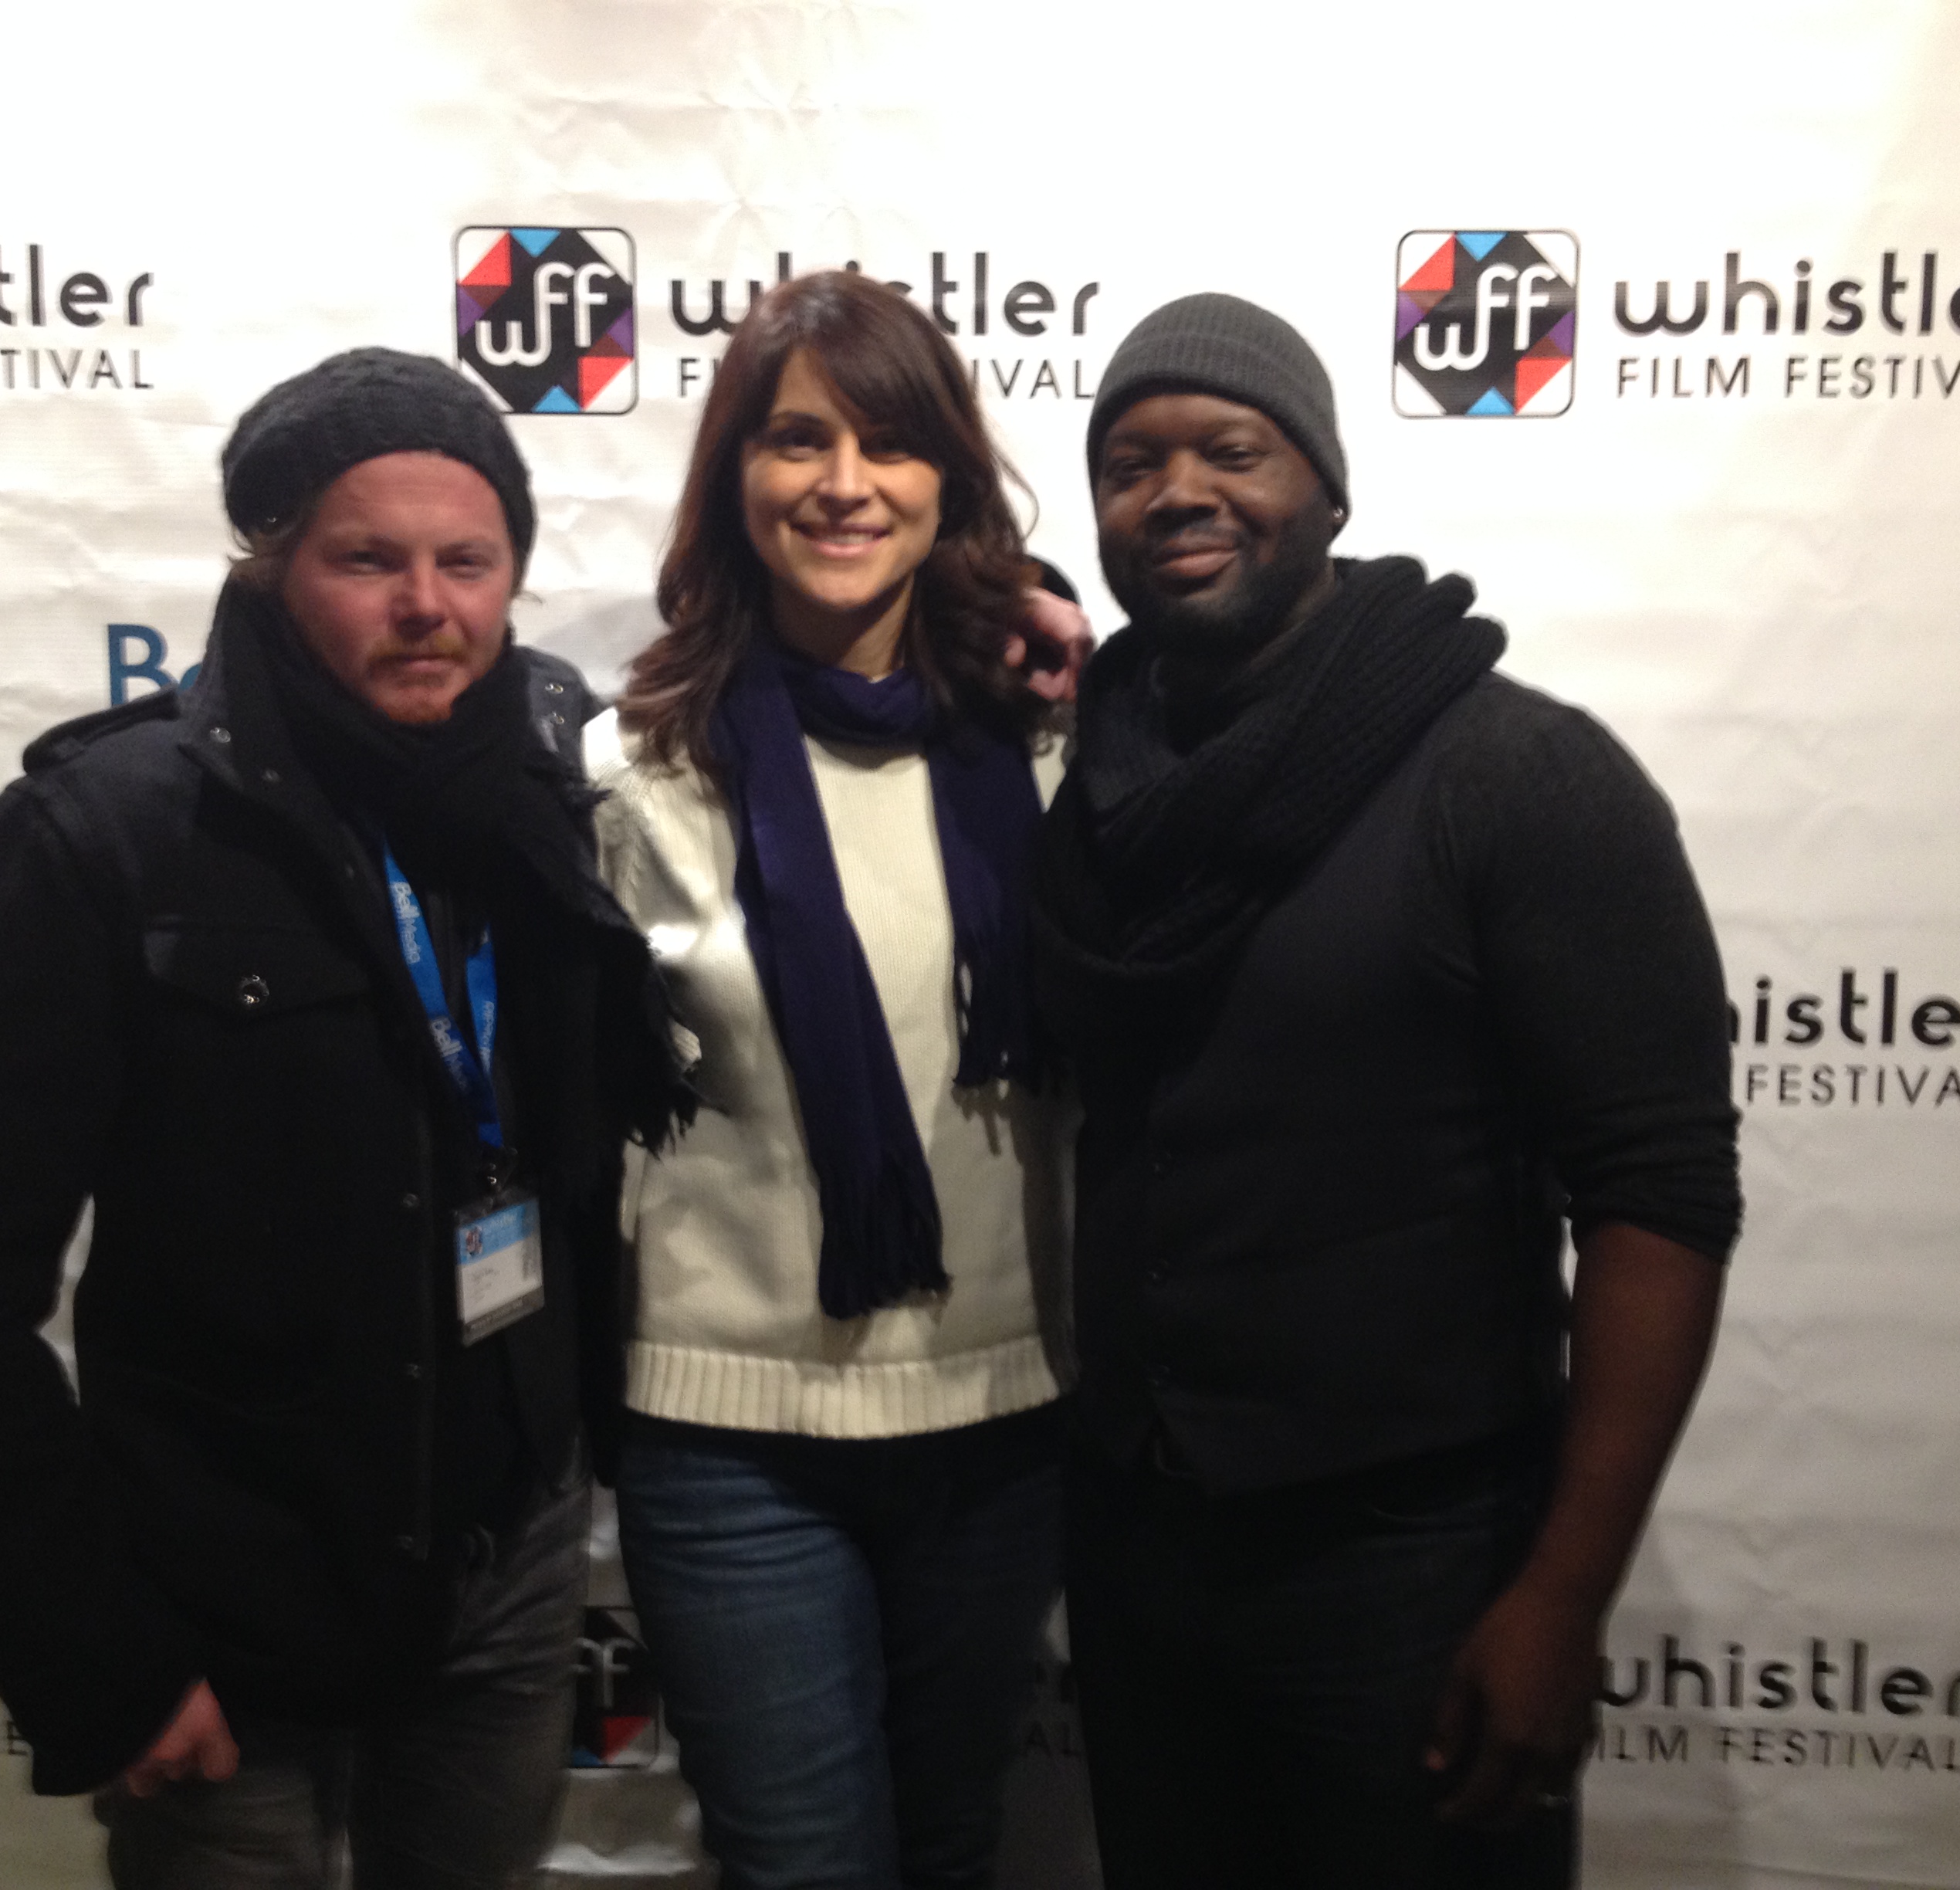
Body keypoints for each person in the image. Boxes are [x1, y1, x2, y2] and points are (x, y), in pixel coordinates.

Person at [0, 347, 683, 1888]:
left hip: (504, 1568)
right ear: (273, 565)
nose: (426, 602)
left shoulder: (549, 791)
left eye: (468, 560)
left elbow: (807, 664)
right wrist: (95, 1650)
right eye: (368, 559)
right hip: (218, 1601)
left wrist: (1022, 614)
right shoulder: (109, 831)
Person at [1034, 293, 1742, 1888]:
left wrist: (1562, 1597)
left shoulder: (1515, 775)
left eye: (1234, 448)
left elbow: (1663, 1197)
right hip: (1141, 1546)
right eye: (1131, 462)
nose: (1179, 492)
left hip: (1417, 1561)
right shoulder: (1093, 788)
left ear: (1329, 491)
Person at [584, 268, 1071, 1890]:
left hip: (1000, 1418)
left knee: (949, 1852)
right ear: (738, 477)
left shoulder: (1055, 749)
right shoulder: (634, 771)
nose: (845, 482)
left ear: (950, 482)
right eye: (798, 440)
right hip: (731, 1440)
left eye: (891, 443)